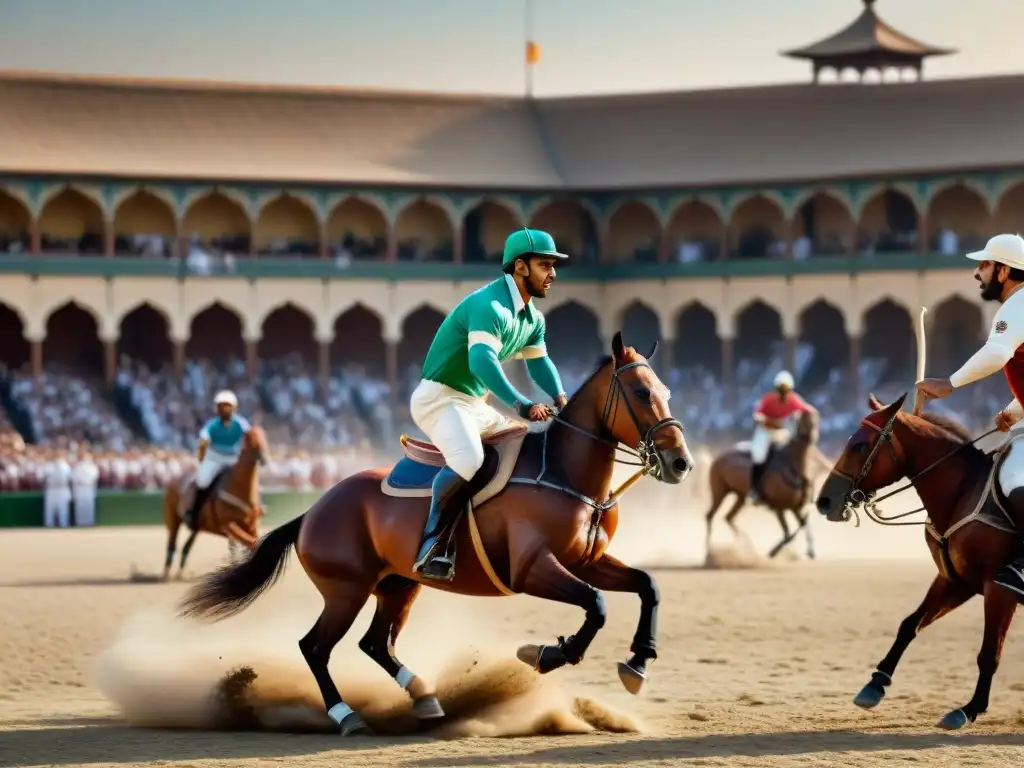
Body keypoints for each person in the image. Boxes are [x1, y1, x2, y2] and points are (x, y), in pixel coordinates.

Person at [409, 228, 570, 582]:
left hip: (472, 403)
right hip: (440, 398)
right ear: (520, 268)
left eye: (554, 265)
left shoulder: (533, 318)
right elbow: (482, 362)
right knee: (470, 459)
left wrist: (560, 397)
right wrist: (522, 403)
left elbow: (539, 363)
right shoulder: (490, 306)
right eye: (545, 264)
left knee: (521, 443)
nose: (553, 273)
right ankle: (432, 545)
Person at [915, 232, 1024, 601]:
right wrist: (1013, 410)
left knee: (1012, 477)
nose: (978, 272)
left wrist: (950, 382)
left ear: (1004, 270)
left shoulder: (1018, 305)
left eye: (984, 264)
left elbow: (996, 353)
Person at [185, 390, 250, 530]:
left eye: (228, 405)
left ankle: (254, 507)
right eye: (222, 405)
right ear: (217, 408)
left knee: (248, 478)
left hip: (234, 458)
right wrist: (202, 449)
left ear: (234, 408)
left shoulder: (240, 423)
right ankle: (194, 513)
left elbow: (249, 436)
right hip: (215, 458)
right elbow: (204, 437)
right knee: (202, 481)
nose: (225, 408)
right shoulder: (212, 424)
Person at [748, 370, 815, 505]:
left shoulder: (794, 399)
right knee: (759, 456)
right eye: (781, 389)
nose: (783, 392)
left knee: (795, 452)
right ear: (776, 389)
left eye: (786, 389)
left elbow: (807, 410)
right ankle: (754, 490)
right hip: (765, 431)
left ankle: (803, 487)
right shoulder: (768, 399)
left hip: (782, 431)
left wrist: (811, 417)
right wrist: (763, 419)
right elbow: (757, 414)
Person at [43, 453, 73, 528]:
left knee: (63, 510)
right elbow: (43, 477)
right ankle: (49, 525)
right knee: (49, 510)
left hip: (62, 489)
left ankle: (64, 525)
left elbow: (70, 478)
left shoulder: (66, 466)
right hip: (51, 489)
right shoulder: (48, 466)